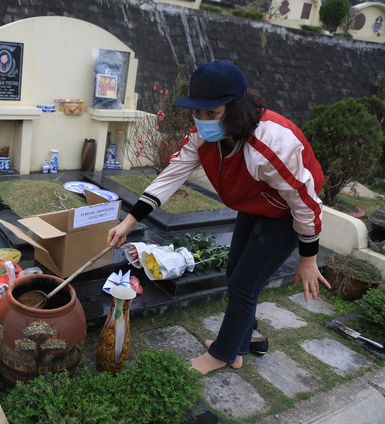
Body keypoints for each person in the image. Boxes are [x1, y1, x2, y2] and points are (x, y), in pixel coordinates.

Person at [107, 60, 331, 375]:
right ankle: (245, 340)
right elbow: (171, 176)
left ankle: (224, 353)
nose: (201, 121)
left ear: (236, 109)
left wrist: (308, 257)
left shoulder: (271, 145)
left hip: (285, 214)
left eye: (211, 114)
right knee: (235, 271)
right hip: (254, 206)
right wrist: (128, 223)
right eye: (197, 112)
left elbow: (306, 203)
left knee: (244, 283)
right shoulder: (203, 136)